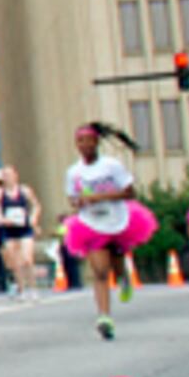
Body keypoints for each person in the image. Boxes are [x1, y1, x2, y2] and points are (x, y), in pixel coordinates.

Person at [61, 123, 155, 338]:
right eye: (79, 141)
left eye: (88, 141)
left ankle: (123, 278)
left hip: (117, 220)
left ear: (96, 143)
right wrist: (79, 202)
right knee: (100, 271)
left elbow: (130, 193)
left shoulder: (111, 166)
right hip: (92, 224)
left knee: (116, 262)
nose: (84, 145)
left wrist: (100, 197)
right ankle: (104, 316)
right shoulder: (74, 172)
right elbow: (71, 197)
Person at [0, 165, 41, 296]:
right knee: (15, 262)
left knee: (27, 258)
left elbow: (36, 205)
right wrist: (2, 219)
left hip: (24, 228)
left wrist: (33, 218)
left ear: (16, 175)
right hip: (9, 230)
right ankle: (21, 288)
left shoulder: (25, 191)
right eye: (5, 175)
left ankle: (33, 287)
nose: (8, 178)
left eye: (10, 174)